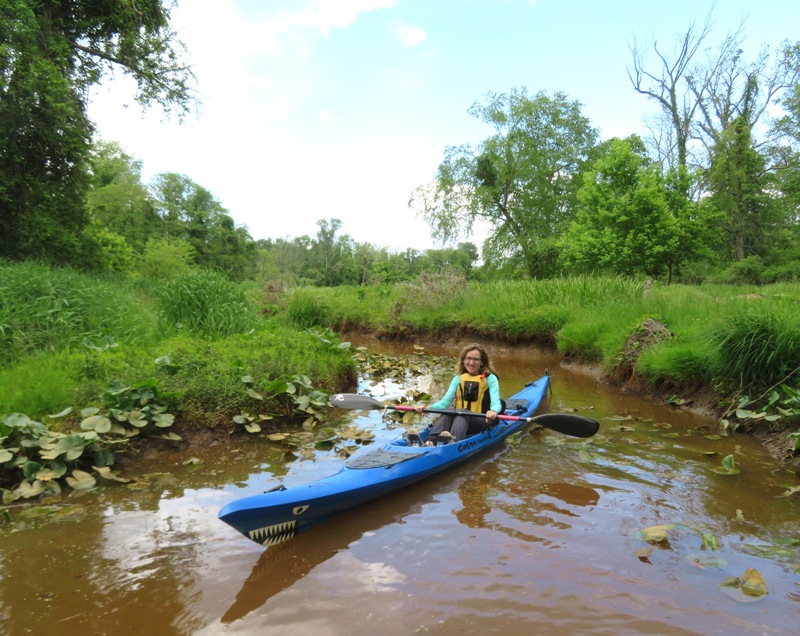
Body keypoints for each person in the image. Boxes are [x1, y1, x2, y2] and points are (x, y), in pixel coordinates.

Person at [414, 343, 502, 445]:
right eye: (468, 358)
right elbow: (445, 402)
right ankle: (431, 441)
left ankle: (454, 443)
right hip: (461, 420)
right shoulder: (458, 378)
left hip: (482, 420)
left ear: (482, 362)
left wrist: (493, 411)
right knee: (449, 411)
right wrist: (429, 407)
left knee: (461, 413)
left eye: (476, 359)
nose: (471, 362)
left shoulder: (490, 379)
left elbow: (496, 402)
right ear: (463, 360)